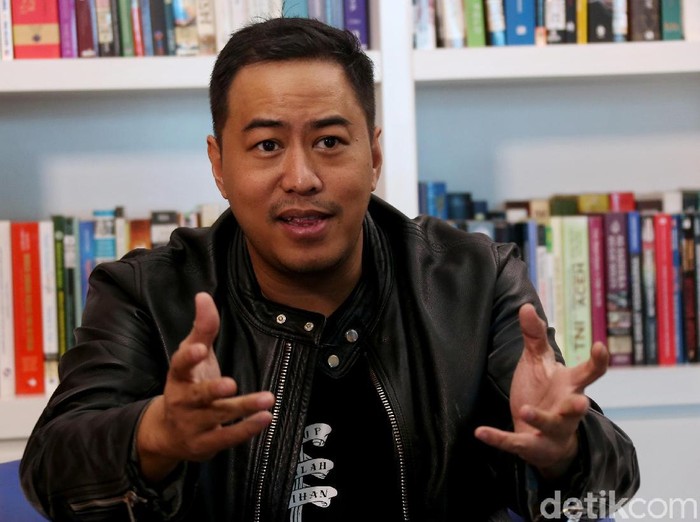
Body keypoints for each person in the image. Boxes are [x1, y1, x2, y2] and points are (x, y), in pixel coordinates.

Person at [20, 16, 639, 522]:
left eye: (330, 142)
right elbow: (51, 472)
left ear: (374, 155)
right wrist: (156, 434)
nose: (301, 177)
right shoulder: (146, 293)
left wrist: (565, 451)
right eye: (267, 145)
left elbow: (607, 486)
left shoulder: (473, 279)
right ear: (219, 164)